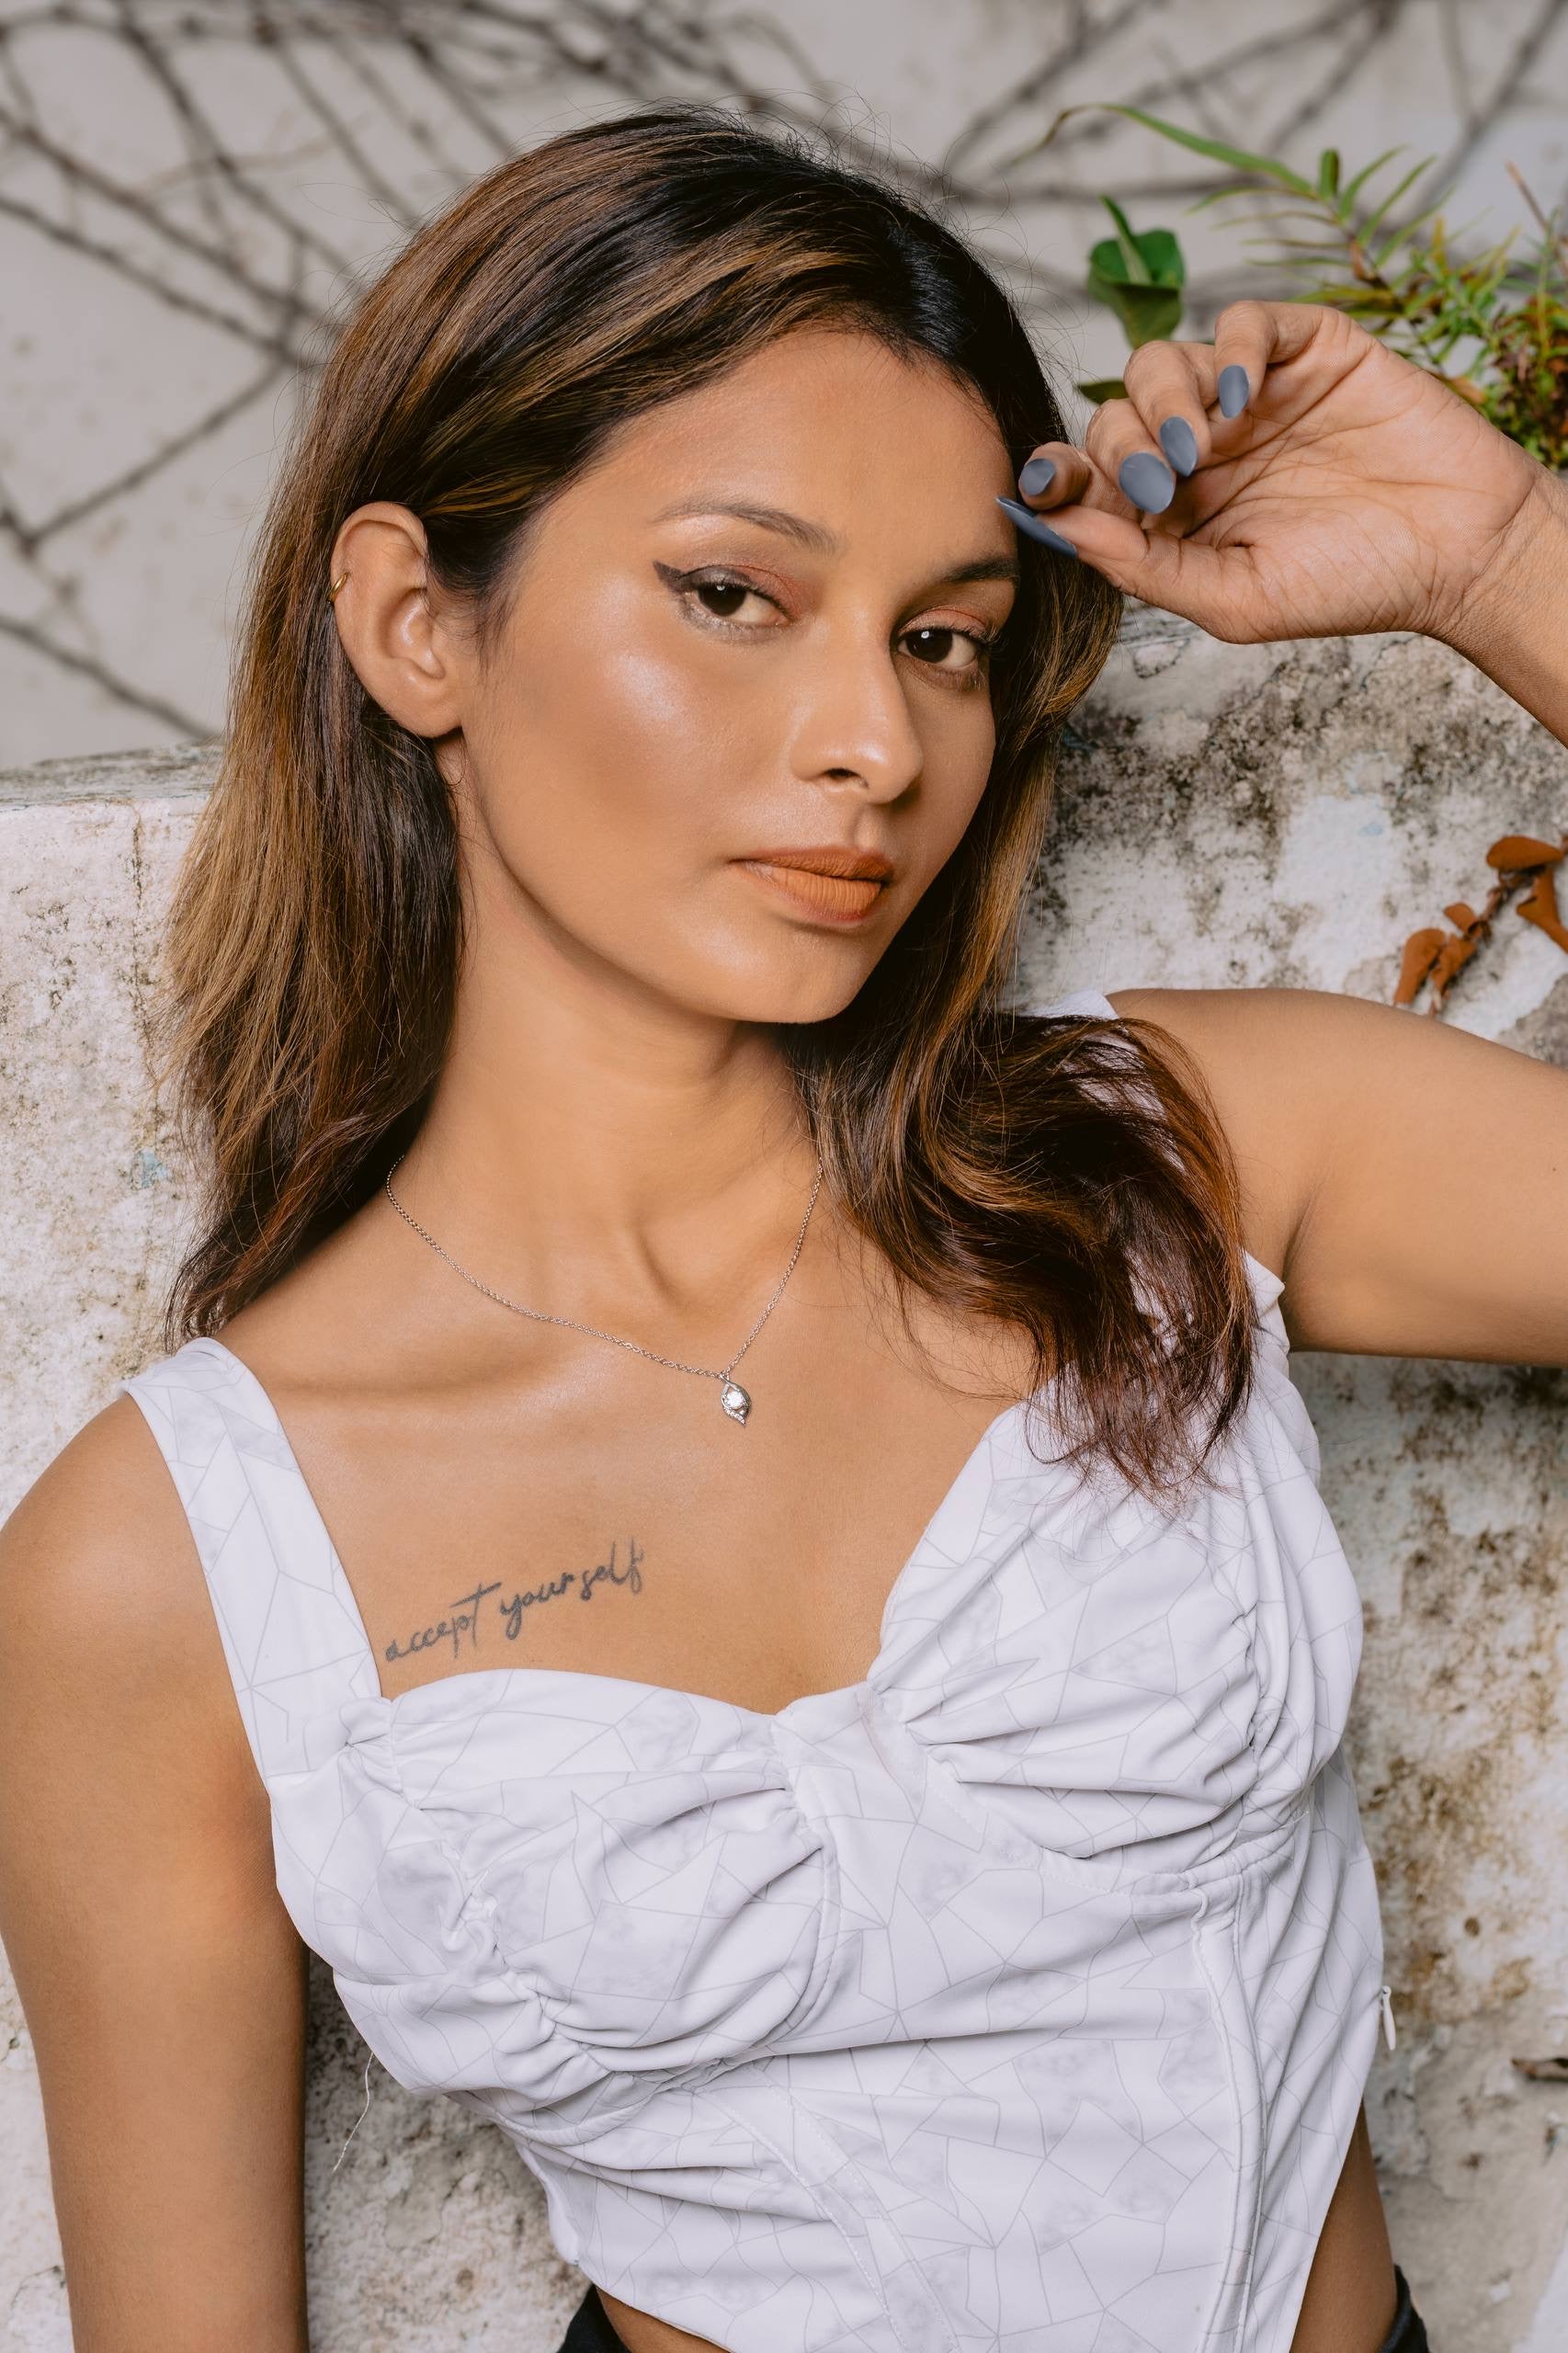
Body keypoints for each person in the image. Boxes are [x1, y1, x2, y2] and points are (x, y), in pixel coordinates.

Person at [0, 102, 1562, 2353]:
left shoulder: (1189, 1156)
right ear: (417, 623)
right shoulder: (161, 1559)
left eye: (943, 637)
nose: (873, 743)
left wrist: (1503, 556)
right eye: (734, 595)